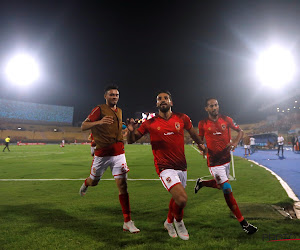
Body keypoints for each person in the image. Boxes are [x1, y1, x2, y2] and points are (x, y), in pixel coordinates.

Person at [127, 90, 205, 240]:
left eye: (166, 98)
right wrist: (131, 131)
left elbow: (193, 132)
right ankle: (179, 222)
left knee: (177, 197)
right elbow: (131, 140)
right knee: (182, 199)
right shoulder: (149, 123)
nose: (163, 100)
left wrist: (201, 146)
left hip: (181, 166)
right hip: (164, 167)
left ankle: (168, 222)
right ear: (156, 104)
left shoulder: (182, 118)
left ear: (171, 102)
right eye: (159, 99)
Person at [79, 85, 140, 234]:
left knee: (123, 185)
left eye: (117, 95)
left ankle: (127, 221)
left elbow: (118, 127)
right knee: (94, 181)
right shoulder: (99, 109)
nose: (115, 97)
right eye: (112, 95)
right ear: (105, 96)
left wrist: (129, 128)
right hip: (102, 153)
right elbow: (83, 126)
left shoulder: (119, 111)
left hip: (118, 152)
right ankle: (86, 183)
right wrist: (99, 122)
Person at [194, 98, 258, 235]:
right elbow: (199, 139)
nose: (214, 108)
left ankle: (202, 183)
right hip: (214, 162)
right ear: (206, 109)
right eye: (211, 106)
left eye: (216, 105)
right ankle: (243, 223)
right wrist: (201, 147)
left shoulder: (227, 119)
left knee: (219, 185)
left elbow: (240, 131)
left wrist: (235, 142)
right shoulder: (203, 123)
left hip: (226, 160)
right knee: (227, 189)